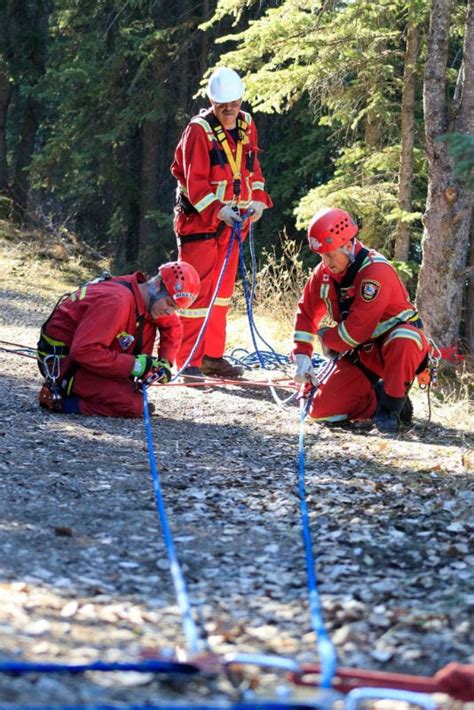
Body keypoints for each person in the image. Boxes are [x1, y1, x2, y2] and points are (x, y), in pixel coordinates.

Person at [171, 66, 273, 382]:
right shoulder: (198, 131)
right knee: (193, 294)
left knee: (222, 294)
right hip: (199, 223)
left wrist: (258, 199)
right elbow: (196, 182)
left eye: (234, 103)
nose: (229, 110)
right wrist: (219, 210)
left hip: (234, 224)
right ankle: (188, 361)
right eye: (222, 105)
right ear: (212, 102)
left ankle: (212, 358)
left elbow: (252, 171)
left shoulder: (246, 124)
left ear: (241, 99)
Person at [292, 207, 430, 433]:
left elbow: (355, 332)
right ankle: (377, 400)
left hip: (395, 350)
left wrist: (325, 337)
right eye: (321, 256)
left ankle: (392, 410)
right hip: (362, 354)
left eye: (330, 254)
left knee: (404, 338)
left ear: (348, 246)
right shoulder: (324, 274)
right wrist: (301, 354)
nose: (325, 262)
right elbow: (306, 313)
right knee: (321, 411)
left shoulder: (375, 272)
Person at [37, 262, 200, 417]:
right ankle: (62, 402)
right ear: (156, 285)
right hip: (65, 365)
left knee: (152, 319)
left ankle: (115, 383)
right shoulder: (117, 302)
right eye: (169, 303)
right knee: (132, 404)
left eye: (176, 308)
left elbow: (172, 326)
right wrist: (135, 366)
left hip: (84, 354)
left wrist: (165, 362)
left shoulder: (144, 296)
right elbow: (83, 351)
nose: (170, 311)